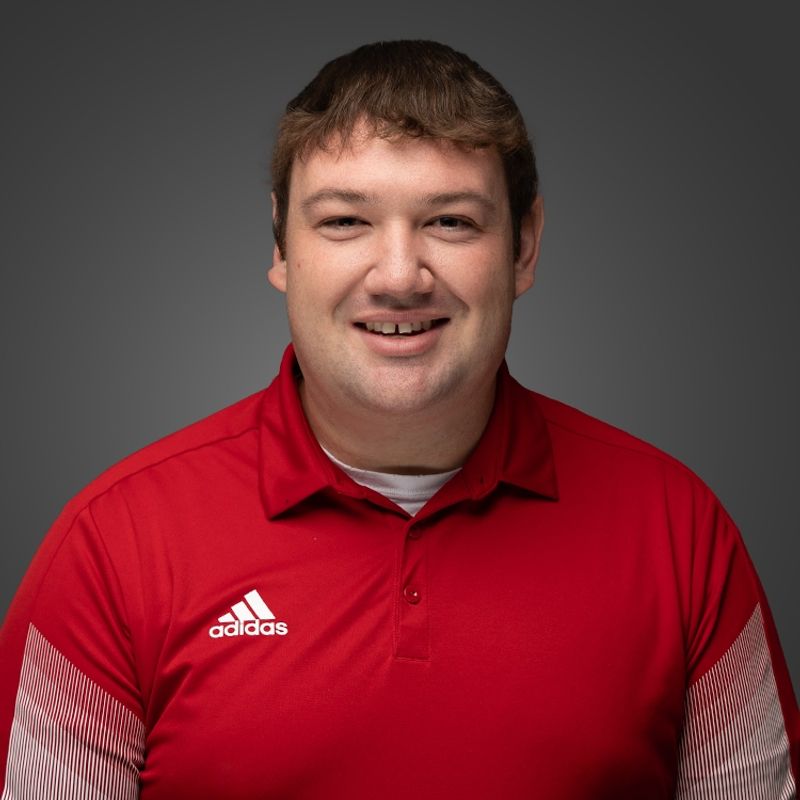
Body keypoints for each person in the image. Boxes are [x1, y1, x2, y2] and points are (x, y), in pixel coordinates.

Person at [0, 39, 797, 799]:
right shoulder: (113, 545)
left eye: (450, 221)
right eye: (345, 221)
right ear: (281, 248)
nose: (399, 275)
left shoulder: (678, 531)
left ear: (524, 247)